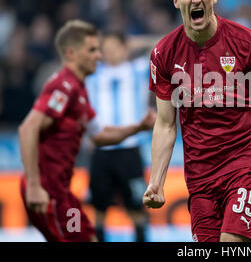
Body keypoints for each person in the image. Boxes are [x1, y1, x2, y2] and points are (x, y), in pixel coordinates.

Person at [142, 0, 251, 242]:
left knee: (231, 243)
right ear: (176, 1)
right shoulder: (163, 54)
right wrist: (156, 181)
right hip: (200, 174)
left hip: (247, 161)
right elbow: (166, 125)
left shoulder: (248, 43)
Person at [18, 20, 156, 242]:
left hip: (66, 189)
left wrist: (138, 127)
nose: (100, 56)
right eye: (93, 50)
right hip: (46, 190)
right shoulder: (64, 86)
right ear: (73, 53)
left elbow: (100, 135)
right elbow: (28, 129)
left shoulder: (81, 92)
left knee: (88, 235)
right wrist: (34, 186)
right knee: (82, 231)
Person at [85, 32, 153, 242]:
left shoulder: (139, 69)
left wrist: (136, 42)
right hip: (102, 149)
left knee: (137, 207)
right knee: (99, 210)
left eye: (115, 47)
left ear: (124, 48)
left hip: (130, 150)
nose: (110, 52)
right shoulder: (92, 73)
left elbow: (166, 45)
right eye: (105, 48)